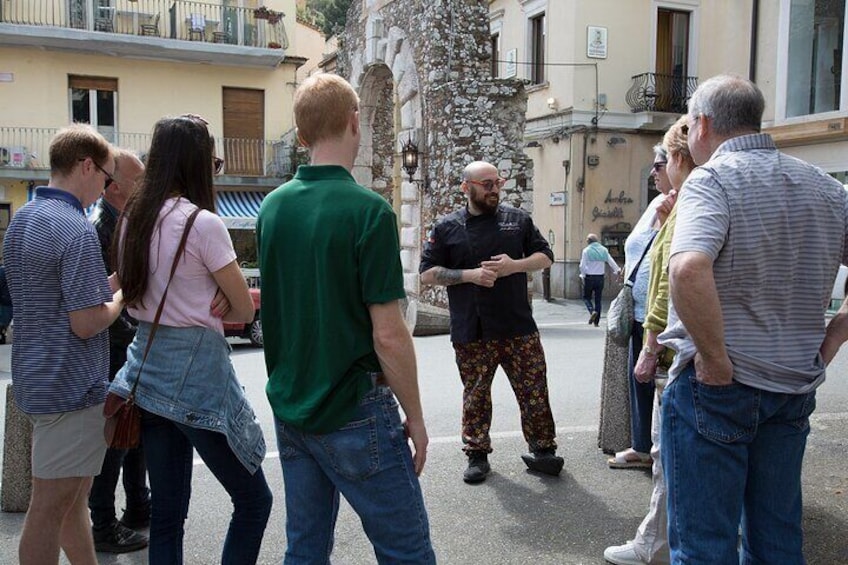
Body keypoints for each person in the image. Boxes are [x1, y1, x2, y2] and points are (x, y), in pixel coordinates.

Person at [658, 74, 848, 564]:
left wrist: (716, 360)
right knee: (778, 538)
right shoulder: (826, 188)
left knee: (705, 546)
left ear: (701, 124)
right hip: (792, 387)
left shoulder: (713, 179)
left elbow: (687, 266)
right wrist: (831, 340)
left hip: (720, 388)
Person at [256, 74, 435, 563]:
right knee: (406, 550)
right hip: (354, 407)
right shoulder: (369, 211)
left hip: (292, 406)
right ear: (355, 120)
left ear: (302, 134)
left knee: (306, 548)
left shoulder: (271, 208)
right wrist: (415, 418)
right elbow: (389, 333)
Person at [110, 115, 272, 564]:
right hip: (197, 377)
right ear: (199, 163)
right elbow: (244, 309)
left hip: (148, 372)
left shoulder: (132, 221)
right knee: (254, 501)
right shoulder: (202, 224)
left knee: (165, 515)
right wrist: (220, 294)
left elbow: (132, 291)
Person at [3, 124, 125, 564]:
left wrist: (109, 285)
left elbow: (51, 295)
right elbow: (87, 321)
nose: (106, 187)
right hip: (71, 387)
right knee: (50, 507)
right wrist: (120, 297)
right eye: (107, 177)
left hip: (39, 378)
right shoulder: (76, 228)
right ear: (86, 165)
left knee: (72, 502)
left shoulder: (25, 218)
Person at [420, 160, 564, 484]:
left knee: (534, 390)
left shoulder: (518, 220)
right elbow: (427, 273)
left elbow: (546, 256)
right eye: (486, 184)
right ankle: (476, 454)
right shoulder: (447, 227)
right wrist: (471, 275)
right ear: (466, 187)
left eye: (498, 182)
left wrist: (514, 266)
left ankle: (543, 450)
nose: (494, 189)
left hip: (518, 326)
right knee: (476, 395)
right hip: (472, 329)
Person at [604, 116, 694, 565]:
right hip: (780, 369)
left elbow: (672, 276)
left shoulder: (693, 200)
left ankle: (656, 544)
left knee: (673, 451)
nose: (657, 170)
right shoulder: (808, 184)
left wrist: (652, 344)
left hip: (687, 348)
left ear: (680, 157)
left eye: (661, 161)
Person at [87, 148, 150, 553]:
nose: (145, 187)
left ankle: (138, 506)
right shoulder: (99, 227)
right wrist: (135, 334)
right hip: (113, 347)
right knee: (114, 439)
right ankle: (104, 525)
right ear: (115, 187)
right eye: (138, 181)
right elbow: (101, 297)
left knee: (133, 435)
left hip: (124, 343)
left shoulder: (120, 221)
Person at [607, 145, 672, 469]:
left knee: (658, 382)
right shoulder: (658, 203)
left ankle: (659, 451)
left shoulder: (683, 200)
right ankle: (642, 445)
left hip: (659, 314)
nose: (652, 172)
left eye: (658, 165)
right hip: (639, 309)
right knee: (640, 382)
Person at [579, 233, 621, 326]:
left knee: (586, 297)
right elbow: (611, 261)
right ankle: (596, 322)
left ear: (588, 241)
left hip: (589, 277)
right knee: (598, 299)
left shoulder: (586, 251)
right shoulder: (604, 250)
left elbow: (582, 265)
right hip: (600, 277)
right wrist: (618, 270)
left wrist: (583, 275)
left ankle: (591, 311)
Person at [0, 264, 11, 344]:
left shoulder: (2, 272)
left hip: (5, 301)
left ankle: (4, 338)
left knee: (4, 322)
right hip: (13, 300)